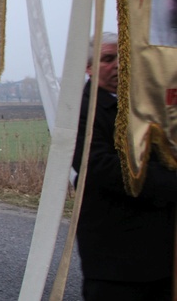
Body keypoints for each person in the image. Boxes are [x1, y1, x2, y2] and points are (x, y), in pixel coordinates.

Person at [72, 32, 177, 300]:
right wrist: (168, 183)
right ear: (89, 67)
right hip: (116, 257)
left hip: (161, 252)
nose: (118, 64)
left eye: (123, 56)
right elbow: (98, 166)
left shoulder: (148, 106)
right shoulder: (80, 110)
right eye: (108, 59)